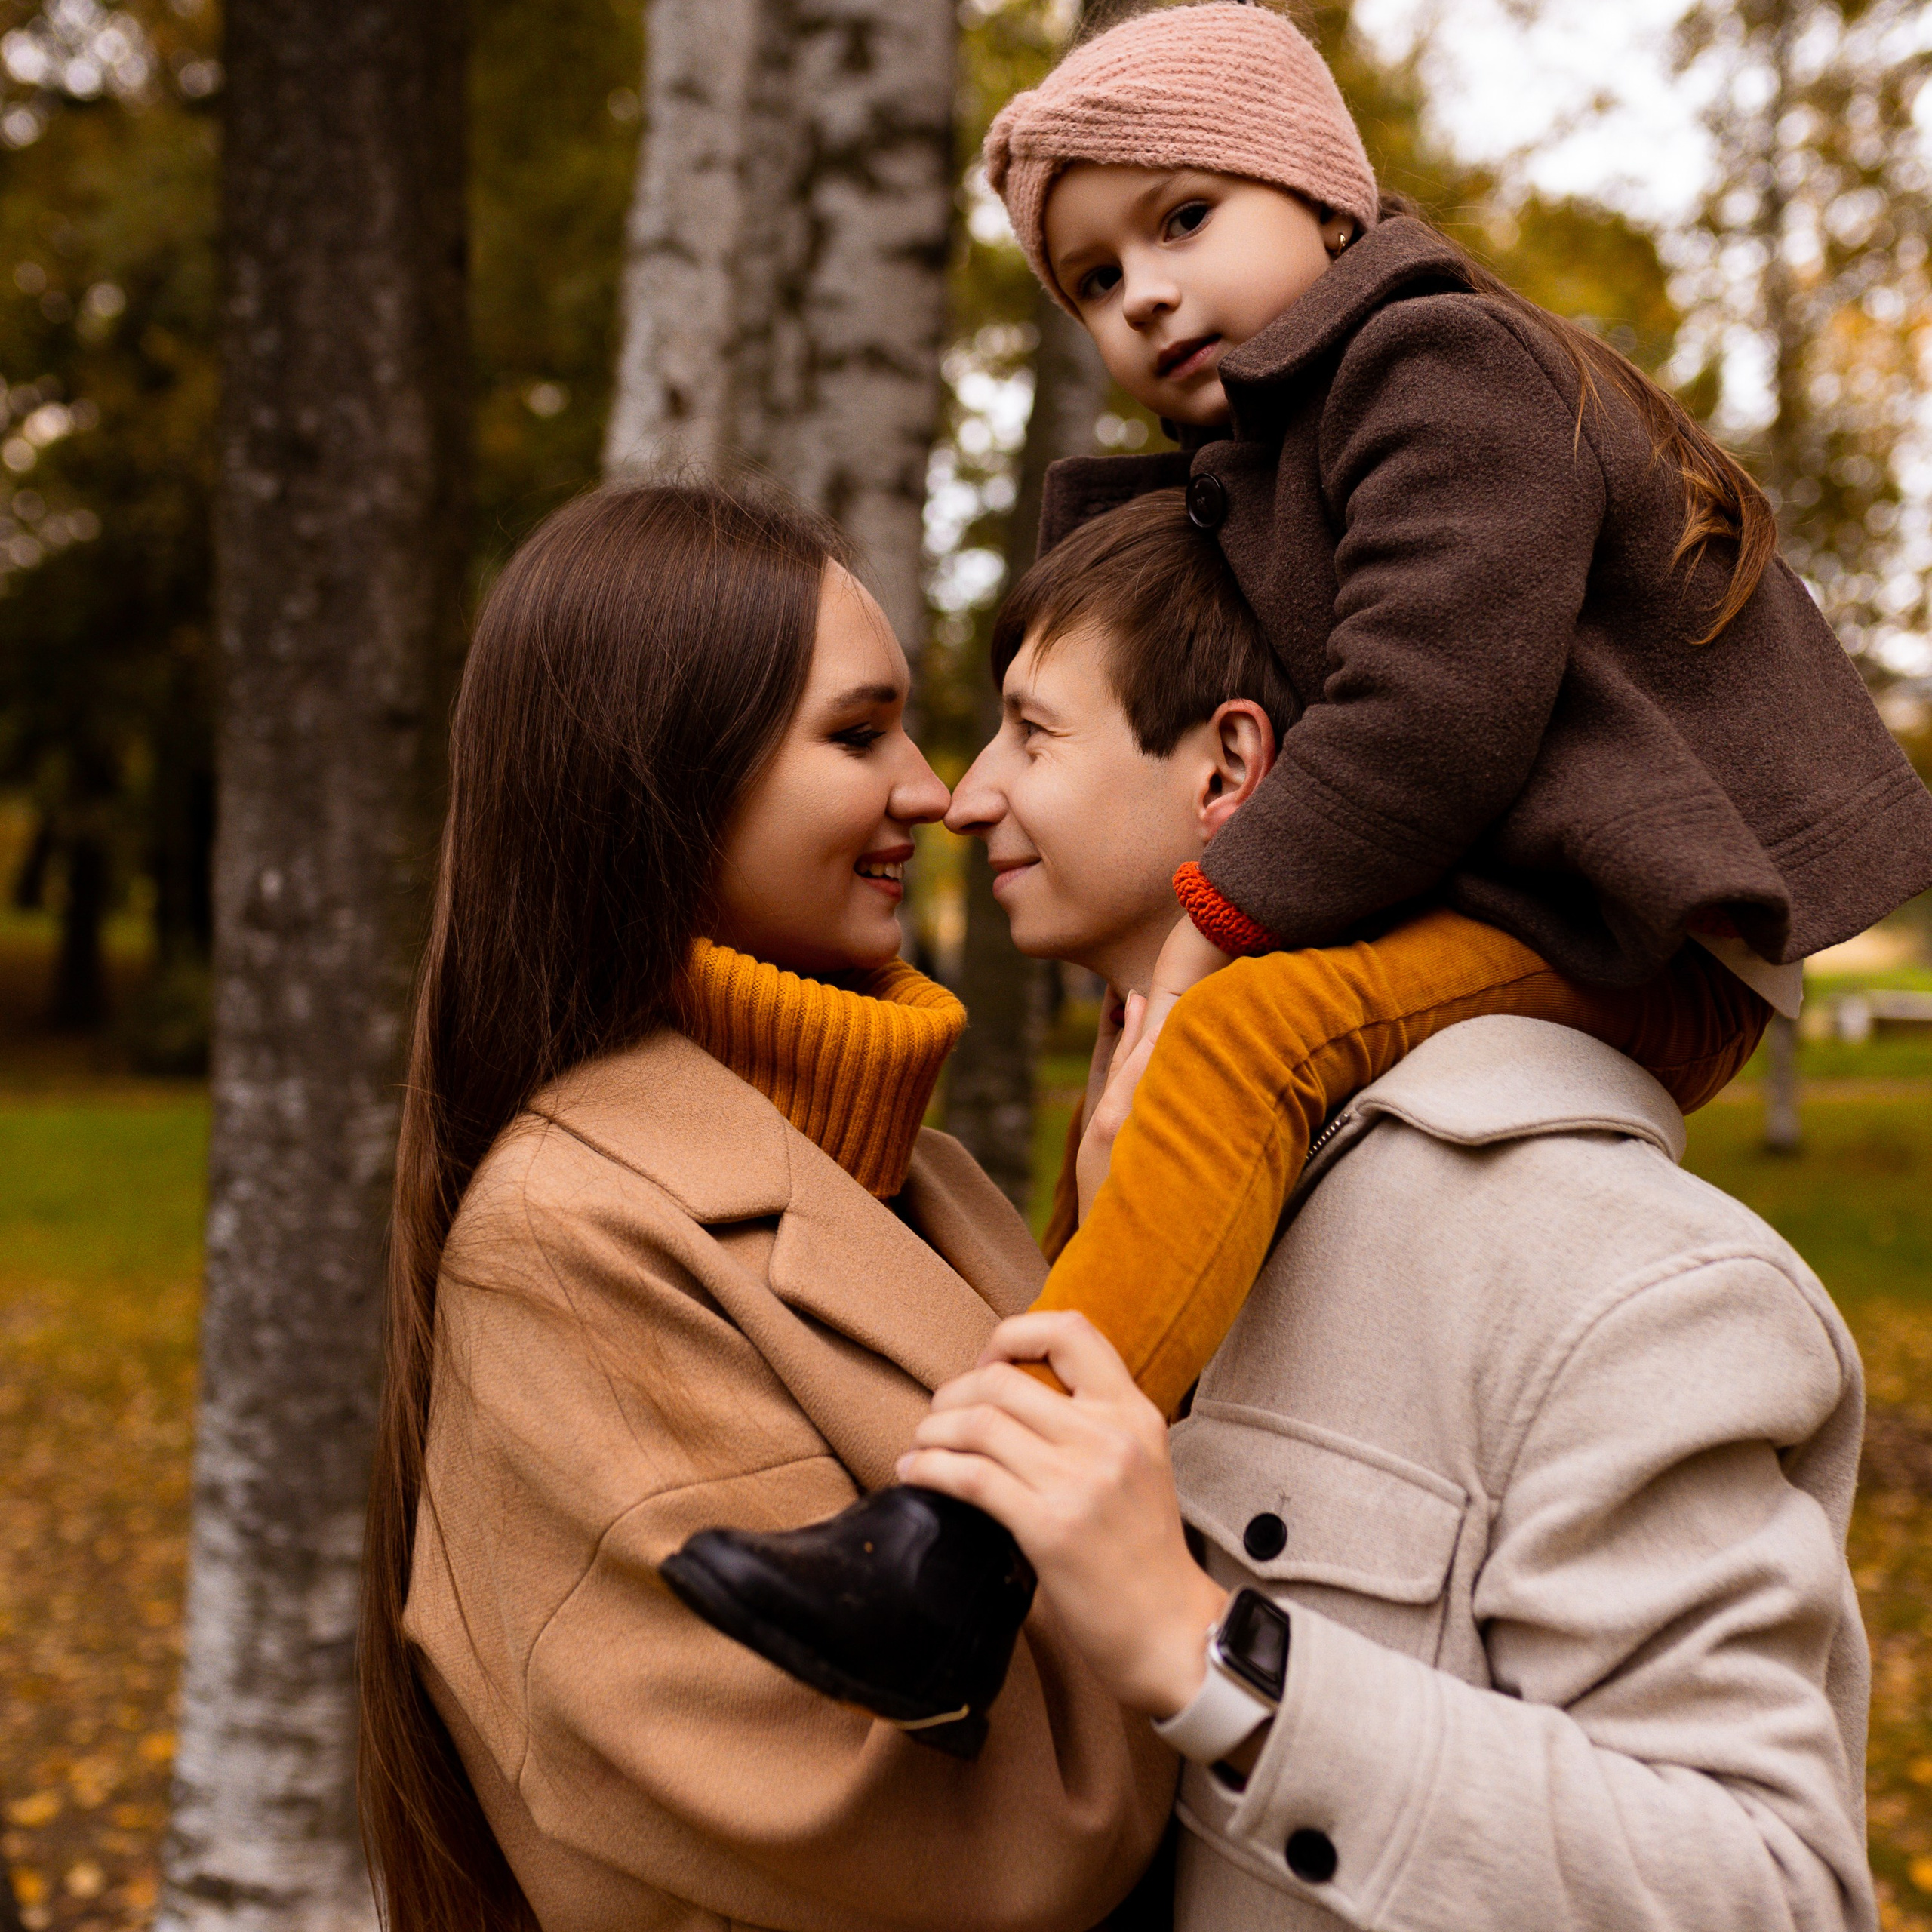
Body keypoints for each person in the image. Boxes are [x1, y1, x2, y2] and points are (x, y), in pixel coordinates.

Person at [661, 0, 1932, 1737]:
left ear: (1323, 194)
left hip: (1634, 924)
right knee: (1163, 1073)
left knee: (1239, 1033)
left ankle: (962, 1554)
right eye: (1093, 280)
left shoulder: (1438, 362)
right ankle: (1022, 1477)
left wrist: (1209, 931)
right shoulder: (1276, 440)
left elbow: (1430, 710)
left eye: (1182, 219)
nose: (1144, 295)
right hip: (1519, 894)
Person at [903, 527, 1876, 1930]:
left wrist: (1210, 1659)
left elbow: (1769, 1895)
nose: (966, 795)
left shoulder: (1600, 1263)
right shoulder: (1110, 1185)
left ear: (1228, 769)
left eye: (1031, 732)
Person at [356, 480, 1174, 1932]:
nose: (933, 792)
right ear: (664, 781)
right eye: (858, 736)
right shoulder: (566, 1241)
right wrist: (1207, 1650)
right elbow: (943, 1851)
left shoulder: (915, 1168)